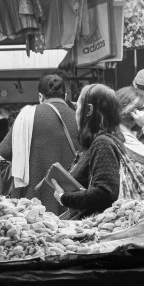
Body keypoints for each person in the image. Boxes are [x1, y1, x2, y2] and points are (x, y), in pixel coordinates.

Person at [0, 74, 81, 215]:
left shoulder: (27, 116)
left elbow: (4, 151)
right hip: (70, 205)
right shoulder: (78, 118)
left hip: (32, 206)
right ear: (65, 95)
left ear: (40, 96)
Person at [53, 84, 122, 219]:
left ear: (89, 110)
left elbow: (105, 193)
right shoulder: (102, 141)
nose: (76, 112)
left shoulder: (102, 143)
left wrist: (64, 198)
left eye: (78, 106)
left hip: (98, 227)